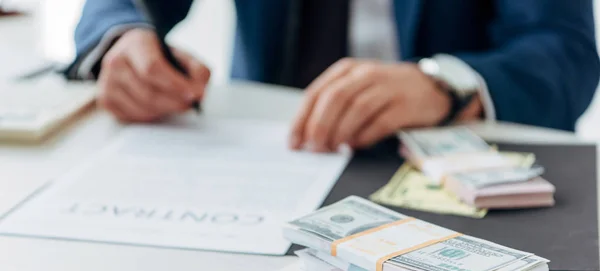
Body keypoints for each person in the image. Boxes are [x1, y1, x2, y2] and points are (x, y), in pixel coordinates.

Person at [68, 0, 600, 152]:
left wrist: (445, 84)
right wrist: (121, 38)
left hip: (446, 148)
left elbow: (565, 50)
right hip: (272, 148)